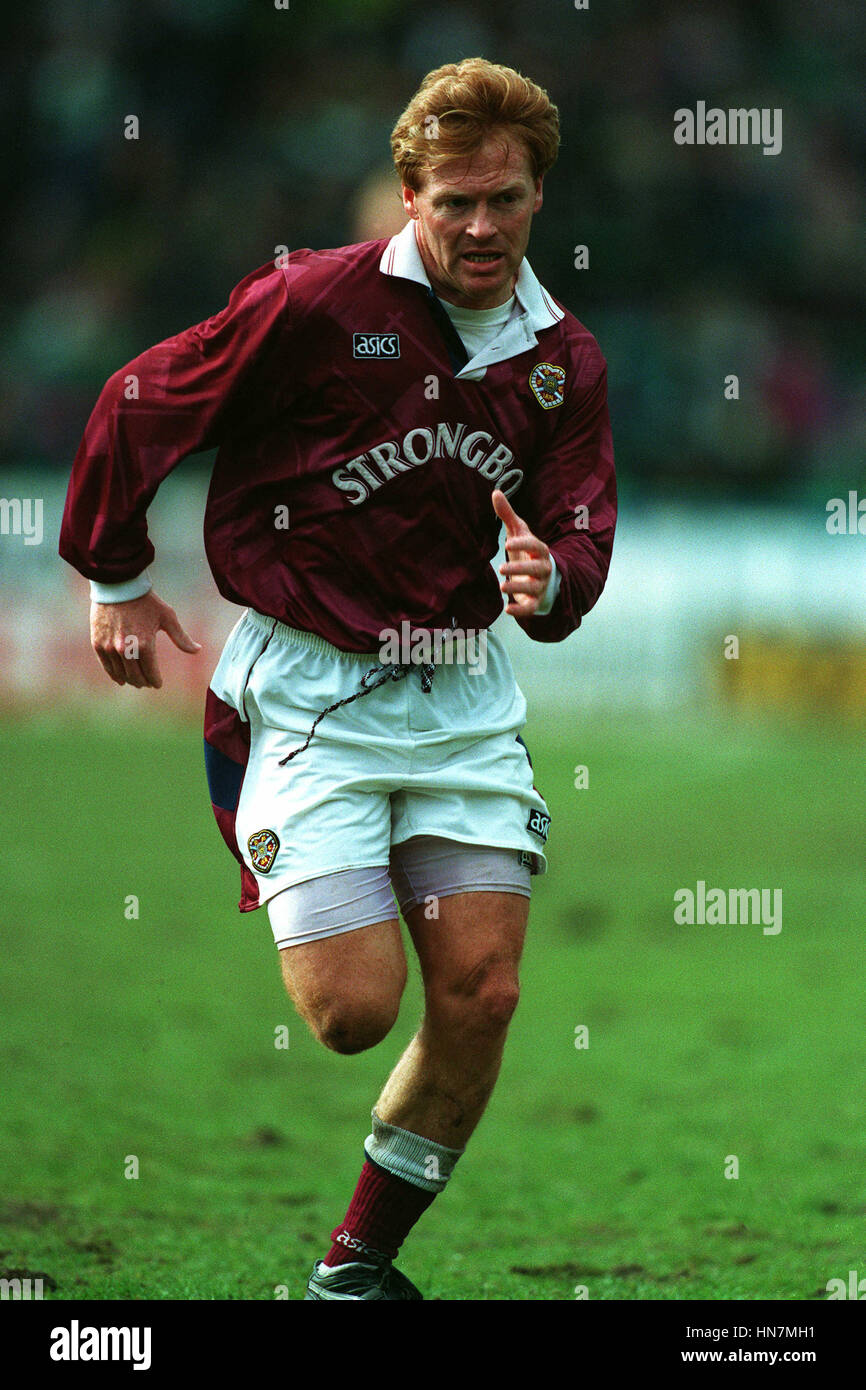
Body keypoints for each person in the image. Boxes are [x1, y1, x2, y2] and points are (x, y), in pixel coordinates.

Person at [60, 57, 616, 1301]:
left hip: (460, 693)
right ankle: (244, 782)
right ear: (410, 196)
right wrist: (112, 573)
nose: (481, 226)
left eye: (507, 201)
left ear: (538, 200)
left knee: (483, 989)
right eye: (455, 201)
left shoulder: (560, 359)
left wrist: (552, 579)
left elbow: (579, 529)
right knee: (352, 1012)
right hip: (304, 688)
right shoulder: (312, 302)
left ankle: (352, 1270)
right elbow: (137, 397)